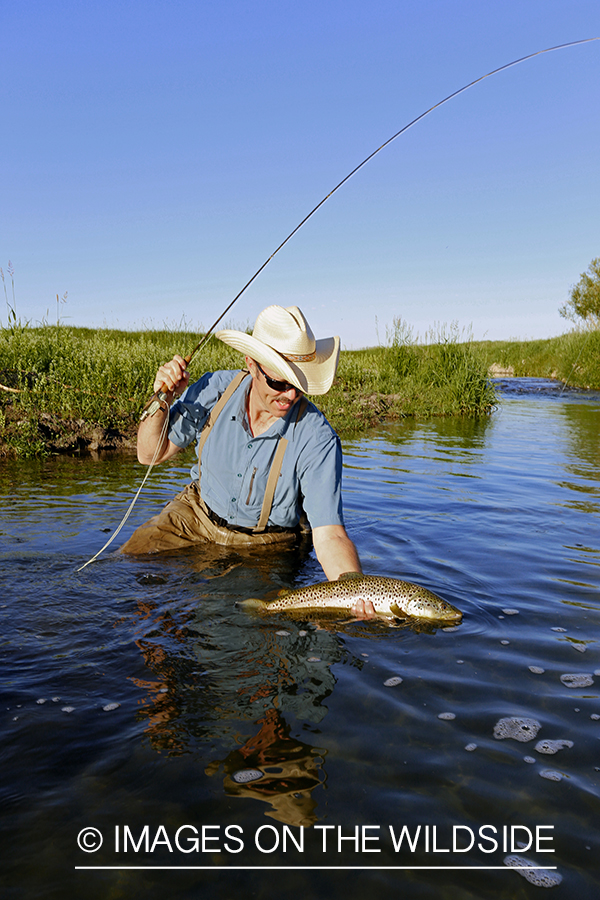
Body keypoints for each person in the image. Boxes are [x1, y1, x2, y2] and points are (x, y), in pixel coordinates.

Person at [120, 305, 373, 614]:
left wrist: (354, 589)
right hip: (196, 516)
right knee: (128, 568)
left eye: (299, 385)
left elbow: (330, 534)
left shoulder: (318, 438)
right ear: (251, 365)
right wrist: (162, 398)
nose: (290, 396)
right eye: (279, 382)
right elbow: (150, 454)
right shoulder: (215, 390)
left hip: (267, 546)